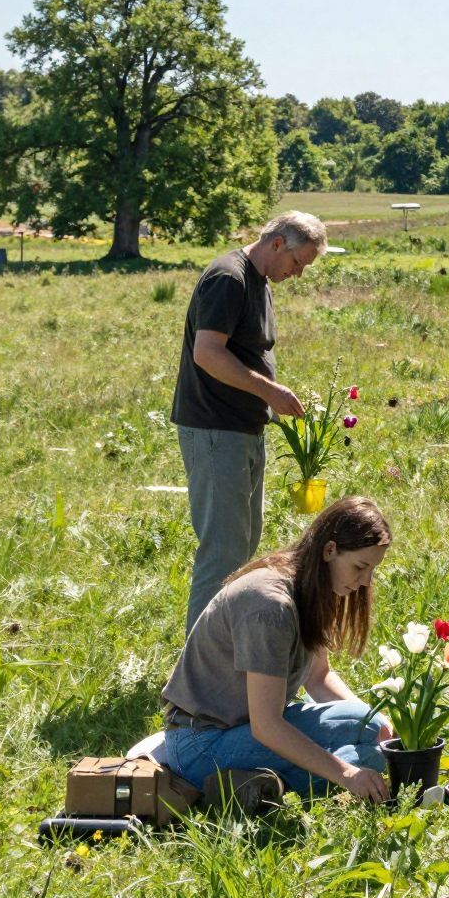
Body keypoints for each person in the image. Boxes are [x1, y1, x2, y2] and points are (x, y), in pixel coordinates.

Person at [161, 496, 393, 802]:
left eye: (371, 570)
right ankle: (238, 785)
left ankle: (264, 779)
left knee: (375, 729)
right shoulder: (270, 608)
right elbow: (267, 726)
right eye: (360, 567)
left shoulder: (313, 587)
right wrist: (347, 774)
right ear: (330, 550)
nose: (365, 582)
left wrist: (386, 728)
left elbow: (318, 677)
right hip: (201, 743)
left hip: (243, 728)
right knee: (367, 759)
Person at [172, 210, 327, 632]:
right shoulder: (229, 278)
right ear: (278, 244)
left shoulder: (257, 281)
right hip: (215, 430)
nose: (296, 274)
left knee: (242, 545)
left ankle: (223, 651)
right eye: (297, 264)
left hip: (241, 430)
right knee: (222, 553)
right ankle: (198, 674)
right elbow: (207, 354)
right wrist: (269, 392)